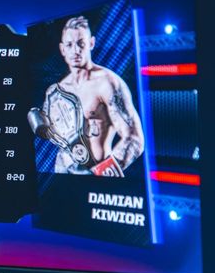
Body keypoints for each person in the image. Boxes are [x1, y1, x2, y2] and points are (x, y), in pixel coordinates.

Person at [27, 16, 144, 177]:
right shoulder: (55, 92)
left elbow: (134, 139)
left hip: (98, 179)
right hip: (64, 177)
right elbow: (59, 142)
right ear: (62, 49)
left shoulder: (107, 83)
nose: (75, 50)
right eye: (69, 44)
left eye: (81, 43)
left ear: (91, 43)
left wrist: (97, 175)